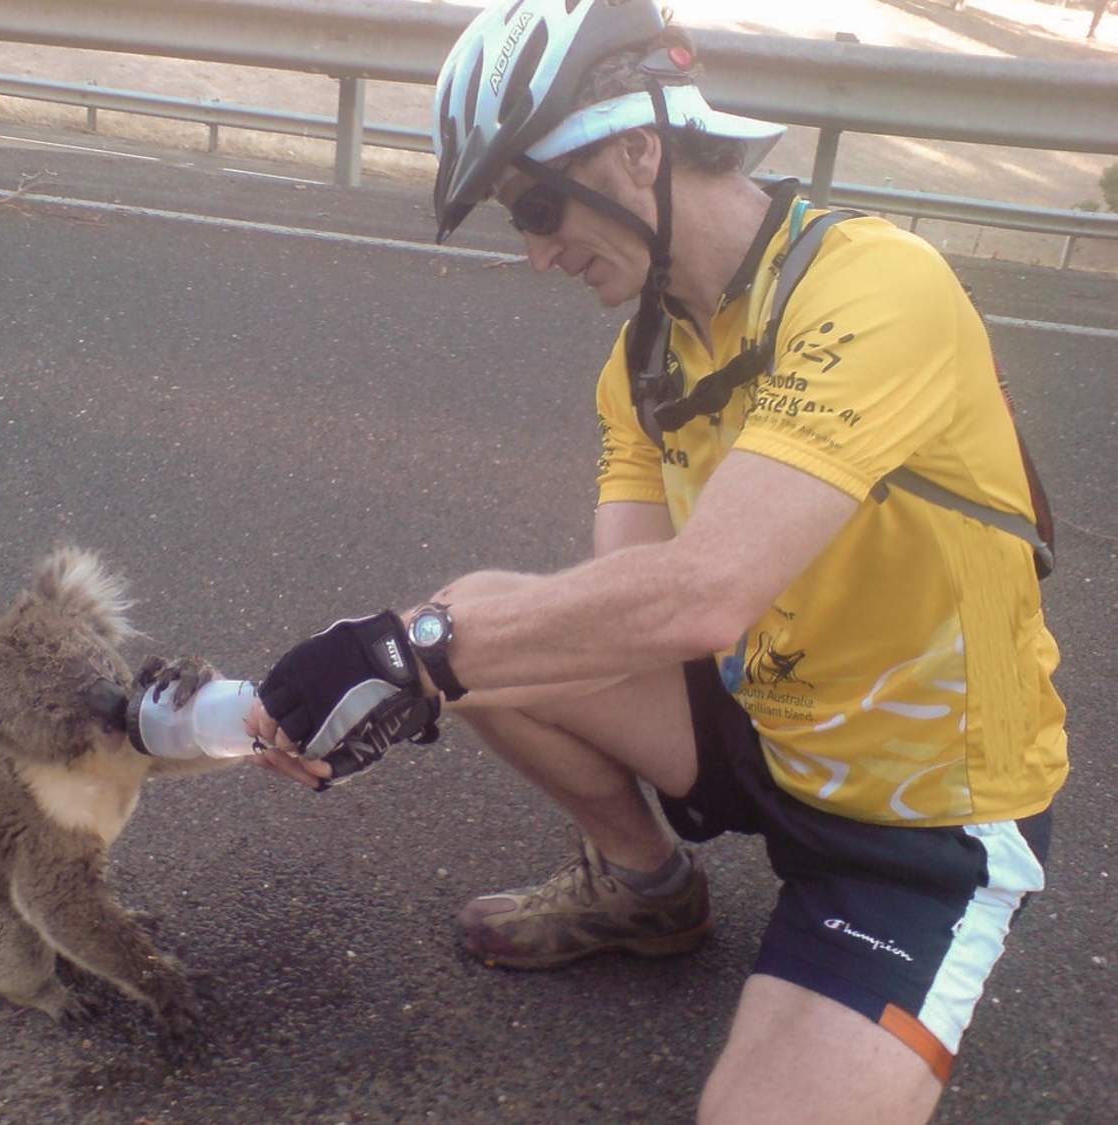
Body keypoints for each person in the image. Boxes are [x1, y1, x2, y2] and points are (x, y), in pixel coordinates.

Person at [245, 2, 1068, 1121]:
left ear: (640, 144)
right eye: (515, 221)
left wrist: (413, 652)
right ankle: (645, 890)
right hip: (766, 728)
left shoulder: (875, 290)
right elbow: (617, 604)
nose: (537, 252)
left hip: (918, 820)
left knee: (458, 634)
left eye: (537, 205)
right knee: (487, 618)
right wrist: (425, 651)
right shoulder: (646, 358)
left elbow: (705, 594)